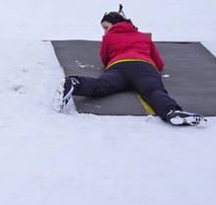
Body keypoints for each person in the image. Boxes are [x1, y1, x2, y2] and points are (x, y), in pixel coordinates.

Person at [55, 11, 204, 127]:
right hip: (144, 66)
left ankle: (74, 83)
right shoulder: (143, 37)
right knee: (154, 91)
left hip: (119, 67)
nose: (105, 31)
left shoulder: (108, 38)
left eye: (106, 27)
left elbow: (105, 59)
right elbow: (159, 63)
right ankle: (172, 112)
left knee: (102, 86)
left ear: (115, 24)